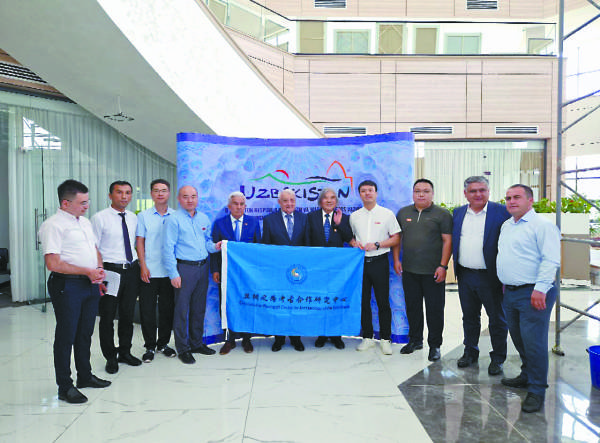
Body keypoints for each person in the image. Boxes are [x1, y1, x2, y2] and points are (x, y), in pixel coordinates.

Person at [39, 179, 111, 404]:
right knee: (66, 335)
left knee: (85, 332)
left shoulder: (85, 222)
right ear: (65, 203)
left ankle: (85, 376)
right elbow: (53, 263)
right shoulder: (53, 225)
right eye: (82, 203)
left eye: (87, 201)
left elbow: (94, 249)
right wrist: (87, 271)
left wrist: (98, 270)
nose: (87, 206)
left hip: (89, 283)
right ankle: (65, 386)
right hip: (67, 285)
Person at [497, 184, 560, 413]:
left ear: (530, 200)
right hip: (511, 291)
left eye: (517, 197)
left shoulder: (542, 226)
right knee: (519, 337)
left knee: (534, 342)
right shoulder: (507, 225)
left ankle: (537, 389)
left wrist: (540, 289)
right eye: (508, 198)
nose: (511, 201)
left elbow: (551, 259)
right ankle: (527, 375)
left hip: (534, 292)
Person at [452, 176, 510, 375]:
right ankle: (470, 352)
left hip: (491, 277)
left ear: (489, 191)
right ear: (465, 193)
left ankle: (498, 357)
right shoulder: (458, 213)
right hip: (465, 275)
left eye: (482, 190)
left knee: (497, 319)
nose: (478, 194)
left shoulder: (501, 212)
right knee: (469, 317)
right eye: (473, 191)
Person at [393, 178, 452, 362]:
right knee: (413, 307)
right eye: (417, 191)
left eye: (426, 191)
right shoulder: (403, 213)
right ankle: (415, 340)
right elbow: (397, 238)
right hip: (409, 270)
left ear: (432, 194)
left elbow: (447, 241)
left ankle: (435, 345)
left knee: (435, 310)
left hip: (433, 272)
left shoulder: (442, 214)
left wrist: (443, 266)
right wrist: (396, 260)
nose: (421, 194)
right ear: (412, 193)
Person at [163, 185, 222, 364]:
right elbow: (168, 248)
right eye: (185, 196)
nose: (190, 200)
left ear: (197, 198)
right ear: (179, 199)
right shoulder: (173, 219)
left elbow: (207, 242)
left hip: (202, 267)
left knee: (199, 307)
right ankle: (183, 348)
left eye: (193, 196)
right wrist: (173, 274)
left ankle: (196, 343)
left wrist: (216, 246)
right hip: (184, 269)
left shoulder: (203, 218)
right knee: (182, 310)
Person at [91, 180, 141, 374]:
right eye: (119, 192)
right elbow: (94, 247)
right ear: (110, 195)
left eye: (128, 193)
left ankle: (125, 352)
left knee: (128, 314)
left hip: (131, 269)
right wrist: (98, 273)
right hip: (110, 271)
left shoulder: (133, 217)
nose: (124, 196)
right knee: (108, 316)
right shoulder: (99, 218)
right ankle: (110, 357)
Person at [349, 180, 400, 355]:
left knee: (382, 301)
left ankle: (385, 339)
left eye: (370, 190)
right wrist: (353, 243)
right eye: (363, 191)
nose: (367, 193)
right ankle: (368, 337)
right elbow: (351, 237)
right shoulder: (354, 216)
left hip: (380, 261)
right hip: (361, 263)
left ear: (376, 193)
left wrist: (378, 244)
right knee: (363, 301)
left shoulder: (387, 214)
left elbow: (396, 238)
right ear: (359, 194)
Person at [210, 191, 261, 355]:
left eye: (242, 204)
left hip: (247, 274)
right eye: (235, 204)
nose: (239, 207)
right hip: (226, 273)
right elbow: (214, 250)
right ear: (229, 206)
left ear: (245, 206)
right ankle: (229, 340)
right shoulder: (220, 223)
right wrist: (215, 270)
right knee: (226, 304)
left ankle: (246, 339)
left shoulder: (253, 223)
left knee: (247, 303)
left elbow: (258, 249)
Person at [262, 188, 309, 352]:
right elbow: (266, 247)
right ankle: (279, 338)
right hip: (277, 271)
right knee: (279, 304)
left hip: (298, 272)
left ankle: (296, 338)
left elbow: (307, 245)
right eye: (285, 201)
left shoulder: (304, 218)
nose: (289, 204)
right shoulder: (269, 220)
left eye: (292, 200)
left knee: (296, 304)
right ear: (279, 202)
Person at [136, 179, 176, 363]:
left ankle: (163, 344)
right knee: (148, 310)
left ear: (169, 193)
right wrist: (143, 265)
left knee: (167, 309)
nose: (160, 194)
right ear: (151, 194)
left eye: (164, 190)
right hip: (149, 271)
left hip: (169, 272)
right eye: (156, 190)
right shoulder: (144, 216)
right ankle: (150, 346)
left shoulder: (176, 216)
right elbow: (140, 242)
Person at [308, 188, 353, 349]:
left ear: (336, 201)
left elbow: (349, 238)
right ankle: (321, 334)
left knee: (335, 300)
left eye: (333, 198)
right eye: (326, 198)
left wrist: (339, 224)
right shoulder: (311, 217)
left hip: (337, 270)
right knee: (320, 300)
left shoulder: (344, 218)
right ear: (320, 201)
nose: (329, 200)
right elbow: (307, 241)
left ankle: (336, 336)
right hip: (317, 268)